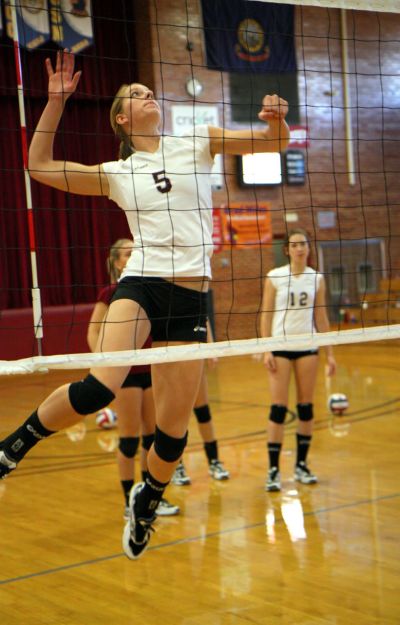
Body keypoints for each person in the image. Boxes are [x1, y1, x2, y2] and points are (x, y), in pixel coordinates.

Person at [0, 50, 289, 559]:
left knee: (173, 432)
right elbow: (38, 165)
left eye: (148, 91)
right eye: (135, 95)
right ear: (121, 118)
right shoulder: (116, 172)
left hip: (191, 293)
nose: (147, 94)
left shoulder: (199, 141)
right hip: (141, 283)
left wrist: (277, 117)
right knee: (98, 389)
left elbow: (274, 142)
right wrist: (56, 103)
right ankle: (12, 447)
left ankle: (147, 499)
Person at [87, 238, 179, 518]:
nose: (133, 257)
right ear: (117, 262)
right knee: (128, 439)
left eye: (136, 252)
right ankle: (129, 500)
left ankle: (150, 498)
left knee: (152, 439)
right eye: (128, 254)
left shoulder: (152, 290)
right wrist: (107, 364)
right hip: (126, 375)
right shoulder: (110, 294)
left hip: (150, 370)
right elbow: (93, 333)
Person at [260, 228, 336, 492]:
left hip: (307, 345)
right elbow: (265, 315)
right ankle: (273, 470)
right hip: (280, 346)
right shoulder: (275, 277)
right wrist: (267, 349)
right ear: (287, 250)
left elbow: (322, 317)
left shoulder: (316, 279)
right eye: (294, 245)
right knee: (278, 409)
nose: (299, 249)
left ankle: (301, 465)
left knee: (306, 407)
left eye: (303, 244)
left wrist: (330, 354)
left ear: (309, 248)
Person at [172, 323, 230, 485]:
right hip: (170, 351)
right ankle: (176, 465)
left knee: (203, 410)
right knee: (176, 415)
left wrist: (210, 348)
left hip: (193, 349)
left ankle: (214, 461)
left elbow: (203, 317)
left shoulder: (196, 296)